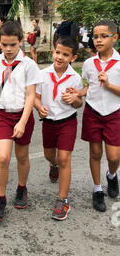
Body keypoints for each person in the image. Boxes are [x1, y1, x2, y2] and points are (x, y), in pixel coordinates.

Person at [0, 21, 42, 222]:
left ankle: (21, 188)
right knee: (2, 158)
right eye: (4, 45)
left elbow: (31, 96)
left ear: (21, 42)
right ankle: (0, 198)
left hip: (22, 116)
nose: (8, 49)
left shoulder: (29, 65)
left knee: (22, 156)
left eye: (13, 45)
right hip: (2, 114)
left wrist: (22, 122)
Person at [35, 37, 83, 221]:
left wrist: (75, 100)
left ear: (73, 57)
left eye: (65, 54)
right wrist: (39, 107)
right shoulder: (43, 74)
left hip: (67, 121)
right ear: (54, 51)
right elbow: (36, 97)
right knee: (49, 155)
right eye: (58, 52)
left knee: (64, 158)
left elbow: (79, 103)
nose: (60, 57)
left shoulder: (75, 78)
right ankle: (52, 164)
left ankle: (63, 200)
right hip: (48, 122)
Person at [75, 20, 120, 213]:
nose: (98, 40)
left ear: (114, 37)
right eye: (95, 37)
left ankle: (111, 175)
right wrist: (78, 93)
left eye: (103, 36)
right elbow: (89, 86)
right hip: (93, 111)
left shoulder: (119, 63)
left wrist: (109, 85)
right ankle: (97, 189)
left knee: (113, 155)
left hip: (114, 112)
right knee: (95, 153)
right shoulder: (88, 63)